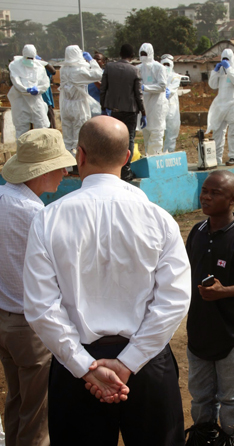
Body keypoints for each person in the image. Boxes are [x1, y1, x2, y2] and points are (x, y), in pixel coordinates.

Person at [23, 116, 191, 446]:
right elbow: (174, 299)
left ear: (79, 155)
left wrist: (86, 367)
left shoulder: (49, 219)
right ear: (128, 157)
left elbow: (42, 308)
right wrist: (128, 363)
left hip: (78, 368)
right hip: (145, 364)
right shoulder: (159, 219)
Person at [0, 128, 76, 446]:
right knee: (37, 414)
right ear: (42, 171)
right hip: (30, 324)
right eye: (60, 167)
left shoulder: (5, 199)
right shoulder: (36, 214)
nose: (65, 173)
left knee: (18, 399)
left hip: (5, 315)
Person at [185, 171, 234, 446]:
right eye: (204, 190)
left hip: (232, 332)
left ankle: (229, 438)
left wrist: (224, 292)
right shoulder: (197, 232)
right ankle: (204, 436)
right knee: (199, 393)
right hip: (199, 329)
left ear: (233, 199)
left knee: (230, 395)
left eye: (215, 193)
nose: (206, 197)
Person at [100, 44, 147, 181]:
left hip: (114, 110)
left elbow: (103, 89)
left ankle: (115, 168)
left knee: (115, 138)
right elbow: (138, 94)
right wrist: (143, 113)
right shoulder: (134, 70)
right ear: (132, 56)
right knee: (129, 138)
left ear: (120, 53)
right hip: (130, 111)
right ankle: (126, 170)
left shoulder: (109, 68)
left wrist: (103, 107)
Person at [59, 45, 103, 156]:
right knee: (80, 134)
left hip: (65, 104)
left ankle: (68, 163)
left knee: (68, 136)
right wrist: (91, 61)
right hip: (78, 105)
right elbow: (98, 74)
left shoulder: (63, 69)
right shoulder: (79, 70)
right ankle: (78, 162)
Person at [206, 49, 234, 166]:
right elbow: (212, 85)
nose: (225, 61)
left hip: (233, 104)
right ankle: (216, 158)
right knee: (217, 132)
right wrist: (215, 72)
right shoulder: (220, 71)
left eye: (227, 59)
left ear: (232, 58)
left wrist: (229, 68)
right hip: (220, 104)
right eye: (223, 59)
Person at [7, 44, 50, 138]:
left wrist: (38, 90)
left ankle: (41, 151)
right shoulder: (15, 65)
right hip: (21, 101)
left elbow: (45, 83)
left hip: (35, 101)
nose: (30, 60)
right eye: (28, 58)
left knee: (42, 125)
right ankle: (22, 152)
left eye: (31, 58)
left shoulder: (39, 67)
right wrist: (25, 89)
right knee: (21, 129)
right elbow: (15, 81)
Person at [138, 43, 168, 155]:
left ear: (150, 53)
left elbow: (162, 86)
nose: (143, 56)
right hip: (145, 107)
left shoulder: (159, 68)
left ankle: (155, 160)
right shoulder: (138, 68)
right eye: (141, 54)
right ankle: (148, 159)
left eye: (145, 54)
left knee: (156, 134)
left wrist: (144, 87)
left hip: (156, 107)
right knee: (146, 134)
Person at [161, 54, 181, 153]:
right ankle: (157, 155)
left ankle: (169, 154)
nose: (165, 67)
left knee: (171, 134)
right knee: (158, 134)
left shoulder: (175, 76)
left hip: (172, 109)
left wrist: (166, 92)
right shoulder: (158, 76)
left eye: (167, 64)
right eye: (163, 64)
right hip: (160, 108)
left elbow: (172, 89)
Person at [37, 56, 57, 129]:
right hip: (33, 102)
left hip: (46, 100)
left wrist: (43, 62)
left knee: (50, 122)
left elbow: (53, 71)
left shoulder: (42, 67)